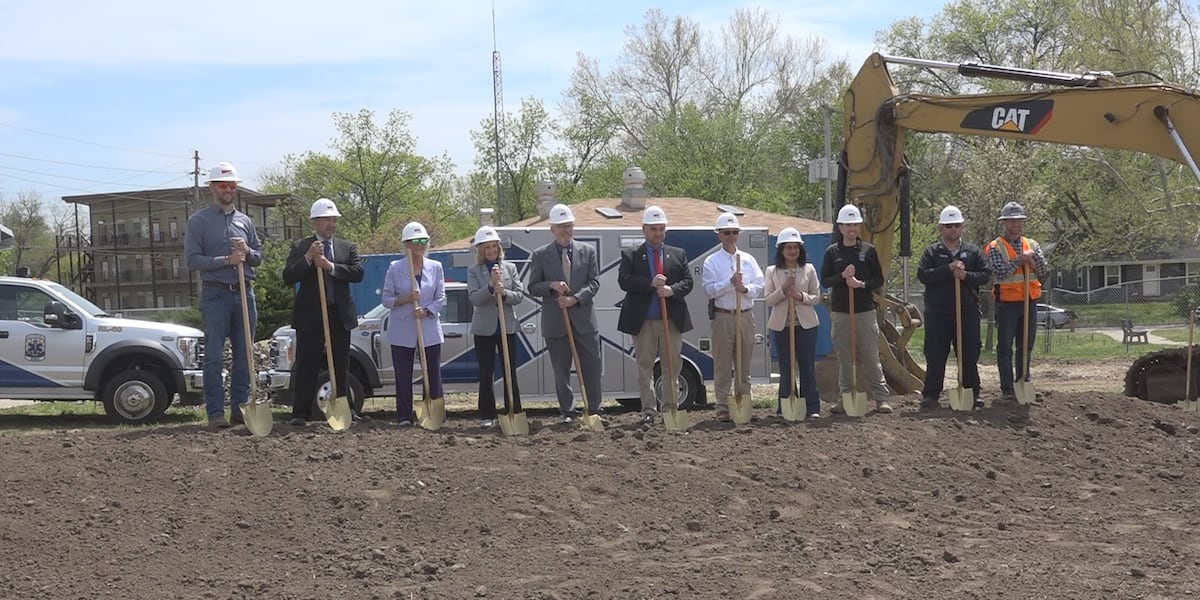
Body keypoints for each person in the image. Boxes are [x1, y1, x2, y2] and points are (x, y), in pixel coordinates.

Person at [184, 161, 263, 428]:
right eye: (223, 185)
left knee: (244, 355)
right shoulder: (199, 221)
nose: (228, 189)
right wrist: (226, 260)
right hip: (215, 295)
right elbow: (193, 260)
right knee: (214, 356)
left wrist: (247, 252)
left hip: (244, 294)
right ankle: (216, 413)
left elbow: (258, 257)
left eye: (231, 185)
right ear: (212, 188)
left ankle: (240, 410)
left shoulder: (245, 221)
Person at [281, 198, 365, 426]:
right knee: (307, 363)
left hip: (339, 314)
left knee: (341, 364)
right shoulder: (301, 247)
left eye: (334, 220)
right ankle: (301, 412)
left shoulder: (346, 247)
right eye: (327, 220)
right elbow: (288, 276)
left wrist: (331, 267)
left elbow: (358, 273)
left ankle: (345, 408)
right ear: (314, 222)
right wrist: (309, 258)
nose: (331, 224)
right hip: (310, 316)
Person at [617, 205, 694, 424]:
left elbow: (688, 282)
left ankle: (670, 409)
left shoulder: (677, 254)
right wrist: (650, 283)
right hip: (644, 322)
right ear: (644, 229)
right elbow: (624, 281)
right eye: (653, 229)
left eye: (661, 229)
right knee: (645, 366)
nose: (658, 233)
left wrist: (671, 290)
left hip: (671, 320)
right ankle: (648, 410)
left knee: (672, 366)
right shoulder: (632, 255)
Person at [528, 203, 603, 423]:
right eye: (562, 227)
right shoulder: (540, 255)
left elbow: (594, 283)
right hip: (556, 323)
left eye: (569, 226)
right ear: (552, 229)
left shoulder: (587, 252)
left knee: (592, 366)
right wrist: (552, 285)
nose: (566, 230)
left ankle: (594, 410)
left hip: (584, 321)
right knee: (561, 371)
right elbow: (532, 287)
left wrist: (575, 298)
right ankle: (568, 412)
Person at [819, 204, 892, 414]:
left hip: (864, 311)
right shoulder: (832, 252)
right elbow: (825, 280)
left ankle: (881, 398)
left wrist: (861, 284)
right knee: (844, 357)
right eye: (847, 225)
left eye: (855, 225)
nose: (852, 229)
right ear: (841, 227)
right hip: (841, 311)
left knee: (870, 355)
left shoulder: (868, 250)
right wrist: (842, 276)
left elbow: (878, 280)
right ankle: (845, 398)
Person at [916, 206, 990, 410]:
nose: (953, 229)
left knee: (968, 353)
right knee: (935, 354)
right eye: (949, 226)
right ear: (941, 228)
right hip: (937, 313)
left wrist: (966, 276)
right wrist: (947, 269)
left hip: (966, 312)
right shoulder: (931, 252)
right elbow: (923, 275)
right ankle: (931, 395)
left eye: (957, 225)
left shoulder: (972, 252)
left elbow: (985, 275)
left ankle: (971, 392)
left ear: (962, 227)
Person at [702, 212, 764, 422]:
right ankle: (722, 406)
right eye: (727, 232)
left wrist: (744, 289)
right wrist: (729, 282)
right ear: (719, 234)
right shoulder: (712, 261)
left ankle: (743, 402)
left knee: (744, 364)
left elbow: (759, 284)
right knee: (723, 364)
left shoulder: (748, 259)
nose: (731, 236)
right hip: (723, 317)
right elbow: (708, 290)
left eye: (734, 232)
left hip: (745, 315)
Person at [382, 222, 445, 426]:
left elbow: (440, 297)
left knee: (433, 373)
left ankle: (434, 413)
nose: (420, 244)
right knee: (403, 374)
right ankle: (404, 416)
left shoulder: (436, 267)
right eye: (415, 241)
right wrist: (406, 299)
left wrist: (426, 310)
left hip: (428, 327)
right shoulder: (395, 268)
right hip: (402, 329)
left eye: (423, 240)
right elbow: (386, 299)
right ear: (406, 244)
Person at [984, 201, 1048, 402]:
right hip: (1007, 304)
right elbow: (1001, 272)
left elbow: (1043, 271)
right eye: (1011, 221)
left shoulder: (1033, 245)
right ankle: (1007, 389)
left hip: (1029, 301)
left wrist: (1032, 259)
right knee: (1005, 347)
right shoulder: (995, 247)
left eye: (1018, 221)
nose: (1015, 225)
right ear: (1004, 223)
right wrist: (1020, 259)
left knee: (1026, 345)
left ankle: (1023, 381)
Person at [467, 225, 526, 428]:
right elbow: (474, 298)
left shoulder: (510, 268)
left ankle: (513, 411)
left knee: (510, 371)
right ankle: (487, 415)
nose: (491, 250)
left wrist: (504, 293)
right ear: (481, 250)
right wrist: (491, 287)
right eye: (487, 247)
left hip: (507, 326)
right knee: (486, 372)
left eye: (494, 246)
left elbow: (519, 295)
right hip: (484, 329)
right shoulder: (473, 271)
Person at [764, 227, 821, 419]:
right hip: (782, 326)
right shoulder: (772, 271)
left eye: (795, 247)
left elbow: (816, 297)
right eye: (788, 247)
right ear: (781, 250)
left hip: (806, 326)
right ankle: (785, 406)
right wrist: (783, 288)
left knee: (807, 366)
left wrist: (800, 296)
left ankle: (811, 407)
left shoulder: (809, 269)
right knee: (786, 367)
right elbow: (769, 300)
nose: (792, 251)